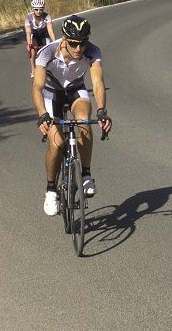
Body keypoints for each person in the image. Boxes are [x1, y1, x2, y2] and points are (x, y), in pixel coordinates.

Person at [32, 15, 112, 216]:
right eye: (74, 43)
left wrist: (102, 111)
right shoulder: (47, 52)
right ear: (64, 39)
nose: (78, 49)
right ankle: (51, 190)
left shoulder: (93, 51)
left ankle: (85, 175)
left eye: (82, 43)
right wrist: (42, 114)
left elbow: (97, 82)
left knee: (85, 121)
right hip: (51, 93)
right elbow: (37, 87)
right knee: (57, 143)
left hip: (76, 89)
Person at [23, 0, 56, 78]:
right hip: (33, 35)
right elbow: (28, 32)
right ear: (33, 9)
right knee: (32, 50)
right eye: (36, 9)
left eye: (41, 9)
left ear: (43, 9)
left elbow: (50, 31)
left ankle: (51, 68)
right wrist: (29, 43)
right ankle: (33, 70)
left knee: (49, 48)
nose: (38, 11)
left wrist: (55, 42)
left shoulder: (47, 16)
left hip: (43, 34)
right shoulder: (28, 18)